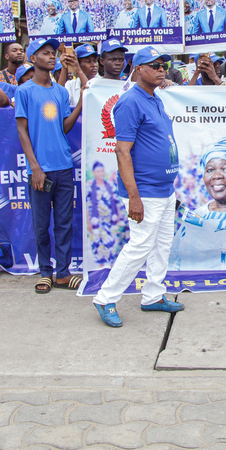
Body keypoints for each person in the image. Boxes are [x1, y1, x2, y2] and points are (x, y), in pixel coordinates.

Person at [92, 47, 183, 327]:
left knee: (162, 245)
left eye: (163, 66)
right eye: (154, 65)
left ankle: (153, 295)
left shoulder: (153, 98)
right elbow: (122, 152)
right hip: (145, 191)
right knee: (140, 246)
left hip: (165, 190)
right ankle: (106, 298)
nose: (161, 70)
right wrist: (134, 197)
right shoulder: (130, 102)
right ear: (138, 68)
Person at [17, 38, 85, 294]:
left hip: (64, 167)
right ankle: (45, 271)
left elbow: (64, 128)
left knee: (64, 223)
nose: (51, 57)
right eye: (45, 54)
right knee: (41, 224)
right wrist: (34, 167)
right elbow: (22, 131)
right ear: (32, 59)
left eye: (53, 53)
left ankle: (63, 273)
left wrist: (80, 105)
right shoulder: (24, 91)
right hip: (40, 170)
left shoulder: (60, 91)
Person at [170, 139, 226, 270]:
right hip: (194, 287)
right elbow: (174, 260)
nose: (216, 176)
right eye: (210, 170)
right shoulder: (197, 214)